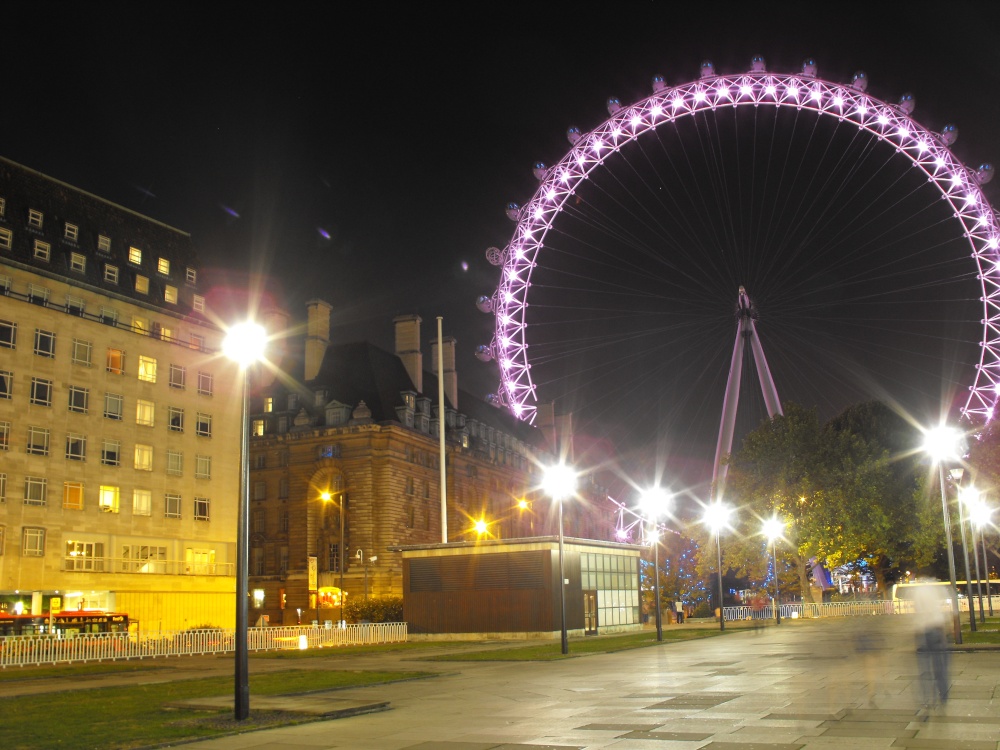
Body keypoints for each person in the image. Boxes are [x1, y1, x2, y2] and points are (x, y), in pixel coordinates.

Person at [912, 582, 951, 713]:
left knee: (924, 667)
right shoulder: (936, 589)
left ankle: (927, 698)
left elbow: (916, 611)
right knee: (940, 666)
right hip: (936, 629)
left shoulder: (917, 591)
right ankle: (943, 694)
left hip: (922, 631)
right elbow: (945, 612)